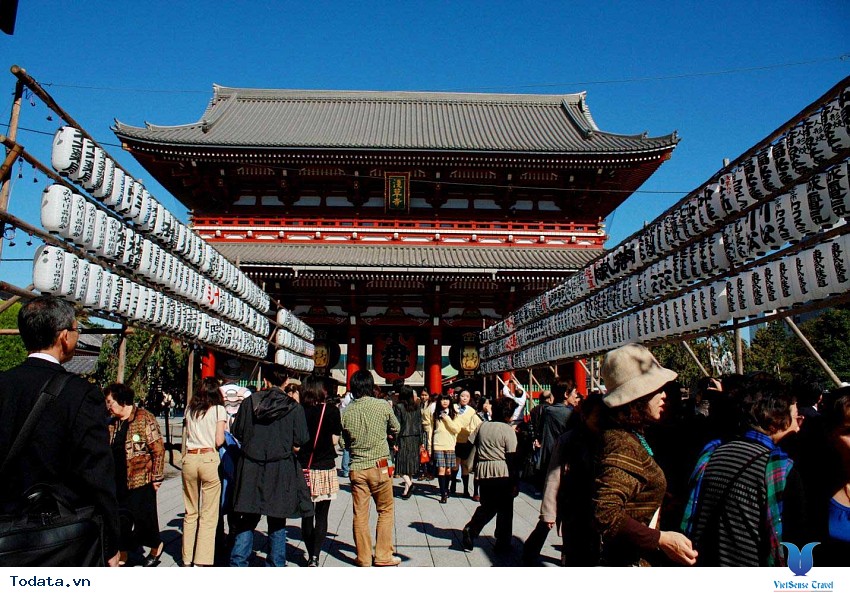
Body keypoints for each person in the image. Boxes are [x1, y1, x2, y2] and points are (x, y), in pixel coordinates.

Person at [0, 296, 120, 566]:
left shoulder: (4, 384)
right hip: (62, 537)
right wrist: (111, 539)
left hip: (6, 535)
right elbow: (97, 474)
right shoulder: (81, 394)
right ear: (65, 336)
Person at [681, 378, 808, 566]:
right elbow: (794, 539)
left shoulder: (713, 452)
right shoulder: (779, 469)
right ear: (776, 419)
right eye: (795, 416)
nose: (798, 426)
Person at [594, 343, 697, 567]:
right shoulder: (621, 443)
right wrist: (662, 540)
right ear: (637, 397)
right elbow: (606, 512)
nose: (663, 396)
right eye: (656, 390)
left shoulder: (631, 435)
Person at [229, 364, 314, 566]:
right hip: (280, 466)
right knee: (277, 520)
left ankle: (238, 561)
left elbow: (238, 431)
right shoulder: (293, 407)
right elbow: (302, 438)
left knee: (247, 517)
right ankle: (276, 563)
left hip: (251, 465)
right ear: (286, 381)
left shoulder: (250, 403)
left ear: (265, 381)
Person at [523, 391, 604, 566]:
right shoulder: (569, 439)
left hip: (601, 507)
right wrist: (549, 512)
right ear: (585, 415)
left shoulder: (610, 439)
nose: (601, 420)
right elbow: (554, 477)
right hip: (574, 505)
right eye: (598, 415)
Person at [340, 370, 401, 566]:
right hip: (380, 465)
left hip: (357, 467)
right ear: (370, 386)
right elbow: (396, 427)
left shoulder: (347, 411)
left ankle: (364, 557)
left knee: (360, 514)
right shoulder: (382, 405)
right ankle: (383, 555)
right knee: (385, 510)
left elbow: (342, 443)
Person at [105, 383, 166, 566]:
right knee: (119, 521)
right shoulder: (112, 423)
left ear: (122, 400)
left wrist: (157, 477)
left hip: (141, 479)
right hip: (117, 481)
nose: (108, 406)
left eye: (110, 401)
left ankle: (156, 546)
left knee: (144, 520)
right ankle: (122, 554)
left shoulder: (144, 418)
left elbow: (158, 449)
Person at [461, 397, 519, 554]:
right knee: (505, 509)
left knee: (487, 506)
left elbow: (468, 445)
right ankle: (502, 542)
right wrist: (515, 482)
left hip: (483, 471)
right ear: (507, 414)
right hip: (503, 471)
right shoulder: (508, 430)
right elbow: (512, 458)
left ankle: (471, 529)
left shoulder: (482, 426)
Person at [181, 377, 227, 567]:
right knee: (208, 514)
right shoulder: (218, 410)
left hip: (190, 458)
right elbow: (219, 440)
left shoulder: (189, 409)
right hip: (209, 458)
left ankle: (186, 557)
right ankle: (202, 560)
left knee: (190, 511)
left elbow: (185, 436)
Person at [298, 375, 342, 567]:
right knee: (322, 514)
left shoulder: (299, 410)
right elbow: (336, 436)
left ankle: (309, 552)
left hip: (304, 466)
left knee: (307, 514)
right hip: (324, 465)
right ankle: (315, 556)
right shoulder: (330, 410)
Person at [392, 385, 423, 499]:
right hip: (415, 437)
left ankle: (409, 484)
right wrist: (421, 441)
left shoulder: (399, 407)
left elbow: (397, 425)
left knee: (401, 463)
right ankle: (406, 490)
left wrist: (395, 442)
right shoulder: (417, 407)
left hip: (403, 437)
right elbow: (420, 424)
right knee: (410, 463)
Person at [432, 393, 461, 503]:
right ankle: (443, 493)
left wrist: (447, 418)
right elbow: (431, 429)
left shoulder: (455, 414)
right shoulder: (435, 414)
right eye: (442, 400)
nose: (445, 402)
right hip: (438, 443)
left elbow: (456, 429)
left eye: (447, 400)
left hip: (450, 444)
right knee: (441, 469)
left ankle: (447, 488)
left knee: (448, 470)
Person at [453, 389, 482, 498]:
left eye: (467, 396)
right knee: (455, 465)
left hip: (467, 441)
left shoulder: (472, 411)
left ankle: (465, 489)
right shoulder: (453, 408)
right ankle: (453, 485)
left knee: (465, 465)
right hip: (455, 440)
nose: (464, 398)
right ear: (458, 397)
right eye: (462, 396)